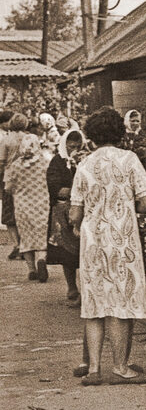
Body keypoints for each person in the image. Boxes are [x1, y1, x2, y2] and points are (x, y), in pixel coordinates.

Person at [69, 106, 146, 386]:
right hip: (123, 239)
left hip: (92, 240)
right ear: (120, 132)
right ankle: (121, 366)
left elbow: (74, 213)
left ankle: (93, 369)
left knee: (95, 303)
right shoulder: (129, 160)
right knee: (121, 301)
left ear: (91, 135)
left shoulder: (84, 164)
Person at [46, 128, 89, 304]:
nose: (75, 150)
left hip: (84, 211)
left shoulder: (86, 160)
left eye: (79, 146)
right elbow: (55, 188)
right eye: (72, 146)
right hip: (63, 213)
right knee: (67, 255)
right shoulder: (57, 162)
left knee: (86, 252)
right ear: (65, 145)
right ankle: (72, 287)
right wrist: (76, 191)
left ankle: (87, 290)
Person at [4, 129, 50, 282]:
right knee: (42, 233)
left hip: (22, 205)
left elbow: (8, 188)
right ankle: (42, 259)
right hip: (42, 203)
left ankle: (31, 269)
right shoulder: (45, 163)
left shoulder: (15, 166)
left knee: (26, 236)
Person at [0, 110, 22, 260]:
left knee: (10, 211)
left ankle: (18, 244)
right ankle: (20, 244)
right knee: (16, 210)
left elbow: (1, 162)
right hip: (24, 178)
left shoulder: (7, 138)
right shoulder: (28, 138)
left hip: (8, 177)